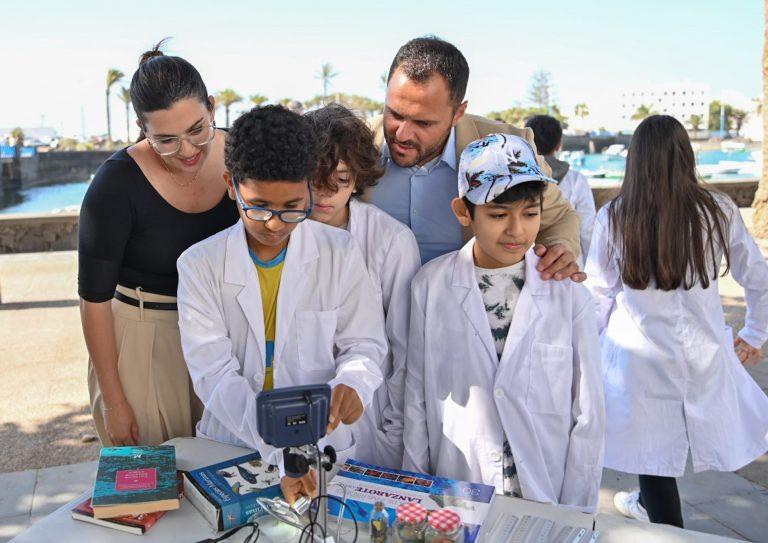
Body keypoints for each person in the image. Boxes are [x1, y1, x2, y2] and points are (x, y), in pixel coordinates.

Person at [176, 105, 387, 504]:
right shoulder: (199, 266)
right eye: (258, 207)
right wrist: (284, 456)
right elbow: (215, 376)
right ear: (230, 185)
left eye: (293, 206)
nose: (275, 224)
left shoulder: (340, 252)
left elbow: (365, 344)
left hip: (323, 443)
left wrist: (354, 383)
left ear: (309, 185)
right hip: (233, 444)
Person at [404, 133, 605, 513]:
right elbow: (416, 395)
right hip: (457, 492)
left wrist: (578, 513)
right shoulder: (430, 287)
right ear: (464, 212)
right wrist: (418, 495)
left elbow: (589, 414)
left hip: (545, 491)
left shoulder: (569, 294)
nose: (517, 231)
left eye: (530, 214)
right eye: (498, 215)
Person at [584, 115, 768, 527]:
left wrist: (585, 356)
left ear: (636, 161)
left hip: (639, 361)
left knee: (651, 451)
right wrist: (755, 333)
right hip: (702, 354)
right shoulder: (717, 210)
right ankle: (653, 508)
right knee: (660, 446)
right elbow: (759, 277)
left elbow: (597, 295)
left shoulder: (615, 216)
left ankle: (664, 523)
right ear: (686, 157)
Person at [78, 41, 239, 446]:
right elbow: (93, 301)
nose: (187, 151)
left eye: (197, 130)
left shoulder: (242, 155)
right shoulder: (116, 183)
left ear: (213, 108)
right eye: (165, 140)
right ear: (141, 129)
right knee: (155, 486)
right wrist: (115, 402)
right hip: (145, 340)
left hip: (229, 334)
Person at [365, 36, 583, 286]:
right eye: (395, 114)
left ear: (458, 113)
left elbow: (560, 218)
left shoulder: (510, 146)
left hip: (465, 316)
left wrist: (559, 249)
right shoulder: (354, 143)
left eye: (423, 123)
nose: (402, 134)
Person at [305, 104, 421, 469]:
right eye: (314, 178)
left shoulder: (391, 241)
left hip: (369, 420)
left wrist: (394, 431)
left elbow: (405, 350)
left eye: (339, 179)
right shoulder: (279, 234)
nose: (325, 193)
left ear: (356, 179)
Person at [525, 115, 596, 259]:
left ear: (527, 141)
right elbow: (587, 228)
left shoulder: (519, 178)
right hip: (567, 260)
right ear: (559, 144)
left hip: (527, 259)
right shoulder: (576, 180)